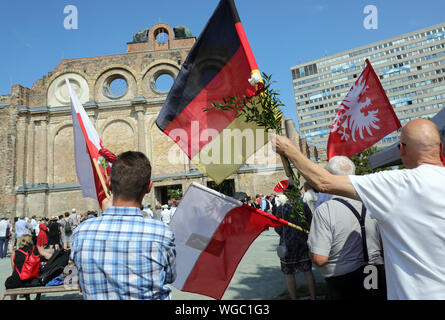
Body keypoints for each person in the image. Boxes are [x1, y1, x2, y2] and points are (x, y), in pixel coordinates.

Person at [272, 118, 445, 300]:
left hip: (389, 289)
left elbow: (323, 182)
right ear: (440, 147)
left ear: (402, 148)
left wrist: (288, 149)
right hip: (380, 273)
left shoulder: (397, 185)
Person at [71, 151, 176, 300]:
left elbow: (80, 281)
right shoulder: (161, 233)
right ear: (149, 186)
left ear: (108, 183)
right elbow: (170, 276)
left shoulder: (82, 232)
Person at [307, 156, 385, 300]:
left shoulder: (326, 210)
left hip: (343, 280)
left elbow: (319, 259)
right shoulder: (373, 203)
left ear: (330, 178)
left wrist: (311, 249)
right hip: (375, 272)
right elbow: (383, 244)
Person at [274, 194, 316, 300]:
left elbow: (277, 227)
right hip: (303, 242)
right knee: (307, 271)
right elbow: (310, 222)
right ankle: (313, 297)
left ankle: (294, 298)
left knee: (289, 273)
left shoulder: (281, 208)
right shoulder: (303, 206)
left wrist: (284, 235)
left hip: (287, 244)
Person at [4, 234, 53, 299]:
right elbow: (48, 256)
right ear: (30, 241)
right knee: (39, 273)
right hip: (34, 279)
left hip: (20, 281)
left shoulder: (15, 253)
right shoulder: (36, 249)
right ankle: (35, 296)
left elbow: (14, 269)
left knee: (10, 281)